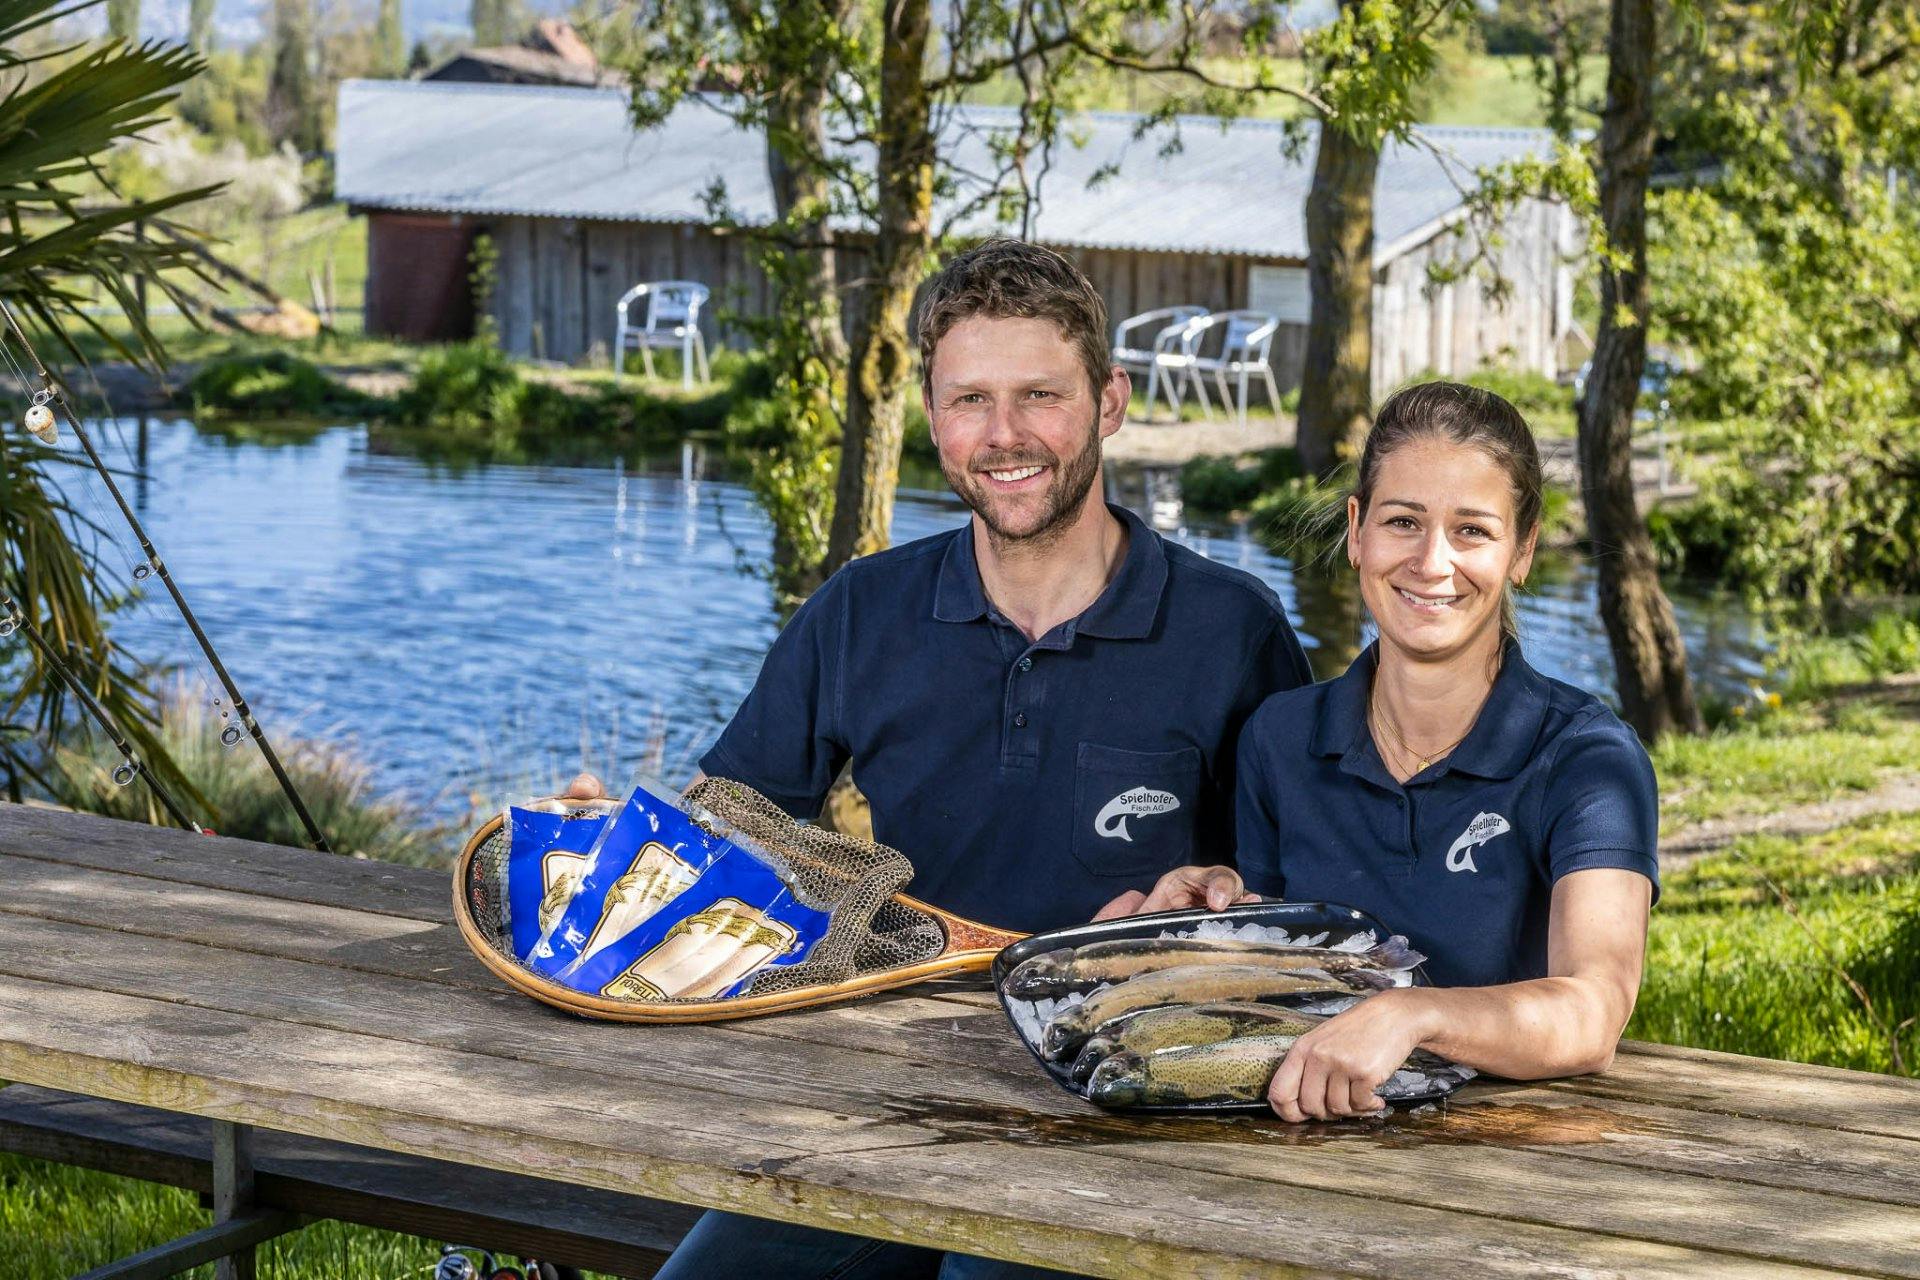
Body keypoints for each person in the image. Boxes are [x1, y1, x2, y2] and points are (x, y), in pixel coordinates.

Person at [566, 238, 1313, 1278]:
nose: (1004, 435)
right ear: (930, 414)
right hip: (894, 1092)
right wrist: (615, 842)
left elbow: (1299, 906)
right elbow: (726, 823)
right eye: (970, 400)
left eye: (1040, 395)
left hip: (1118, 1108)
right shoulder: (861, 611)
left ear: (1110, 401)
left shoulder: (1231, 628)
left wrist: (1219, 896)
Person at [1100, 380, 1659, 1123]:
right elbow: (1276, 982)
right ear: (1357, 530)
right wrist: (1184, 929)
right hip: (1299, 1142)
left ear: (1522, 550)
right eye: (1403, 522)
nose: (1432, 562)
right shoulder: (1279, 737)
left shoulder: (1590, 761)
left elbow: (1593, 1012)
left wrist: (1413, 1015)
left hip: (1510, 1158)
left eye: (1472, 531)